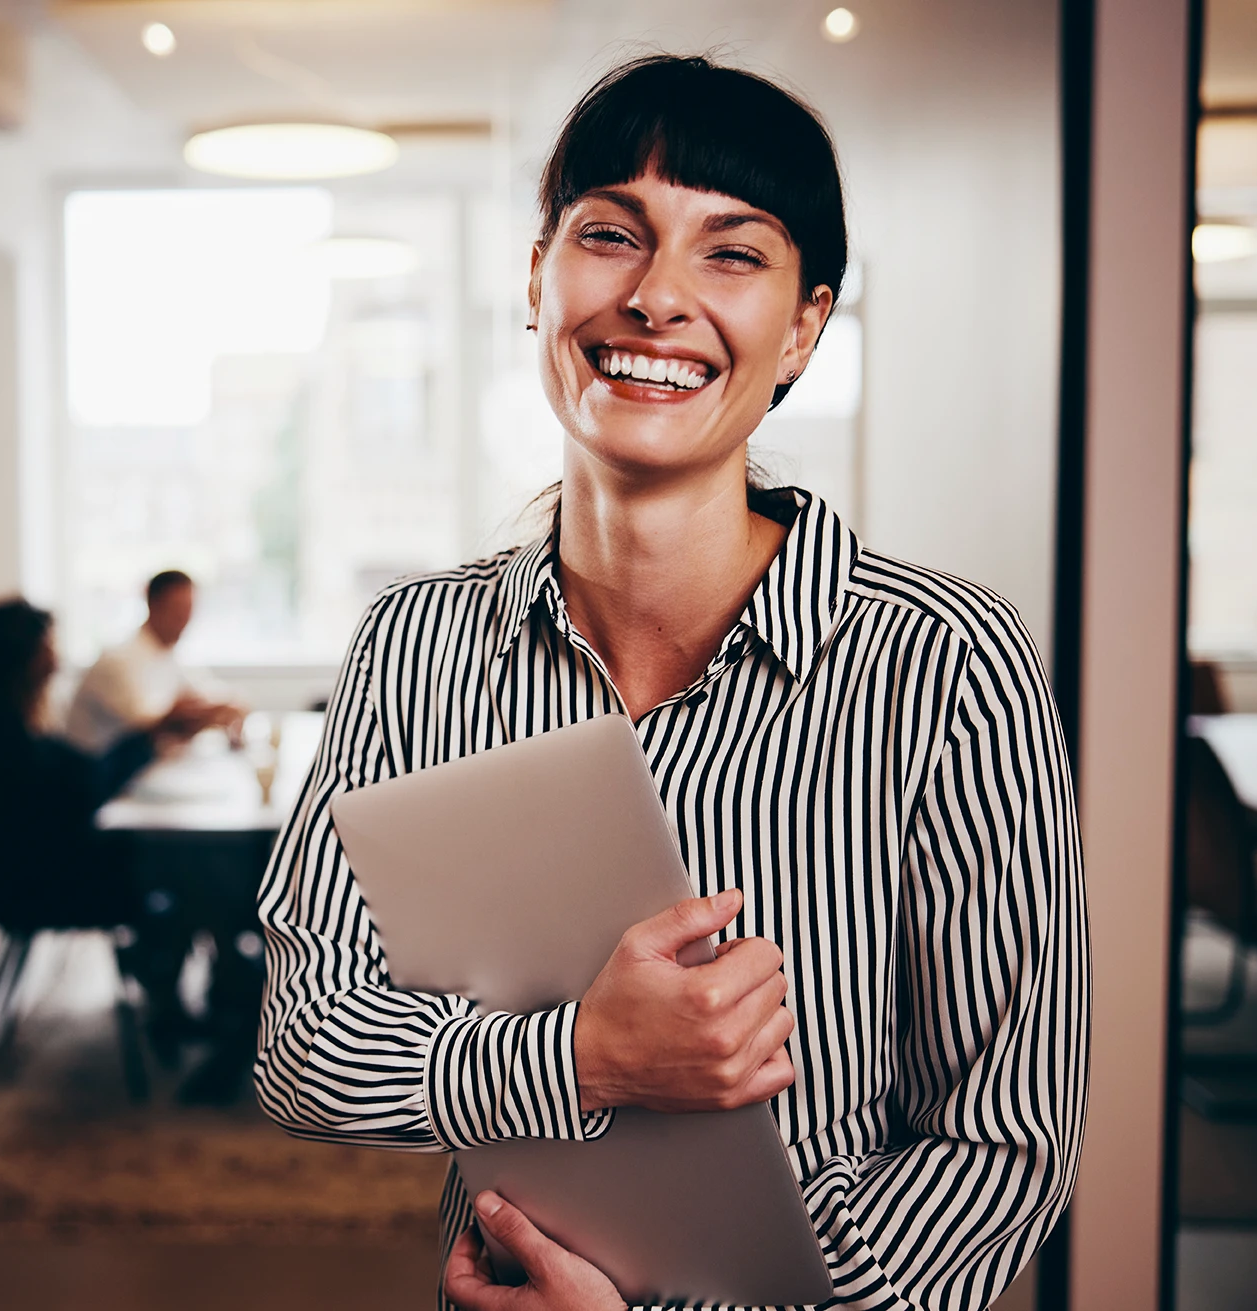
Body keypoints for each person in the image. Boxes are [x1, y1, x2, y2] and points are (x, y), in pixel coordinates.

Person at [254, 55, 1087, 1311]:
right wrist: (583, 1056)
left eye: (731, 254)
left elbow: (1004, 1142)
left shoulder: (949, 664)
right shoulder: (412, 645)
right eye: (609, 236)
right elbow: (303, 1045)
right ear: (535, 279)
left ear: (804, 326)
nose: (655, 298)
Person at [0, 598, 225, 1034]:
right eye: (46, 648)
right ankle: (179, 998)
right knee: (191, 873)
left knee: (183, 864)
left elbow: (81, 781)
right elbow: (83, 787)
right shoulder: (8, 744)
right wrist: (155, 733)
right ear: (21, 661)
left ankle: (172, 994)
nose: (56, 660)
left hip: (36, 870)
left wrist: (153, 734)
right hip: (43, 885)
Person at [64, 569, 243, 752]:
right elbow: (150, 728)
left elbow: (209, 694)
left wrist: (226, 708)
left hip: (138, 769)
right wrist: (200, 715)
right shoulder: (118, 661)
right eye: (177, 610)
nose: (184, 620)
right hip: (99, 773)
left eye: (189, 609)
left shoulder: (170, 655)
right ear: (153, 605)